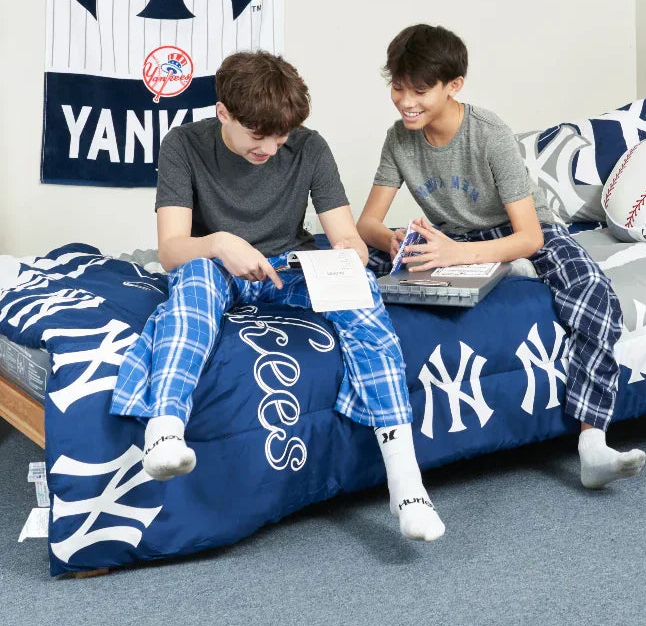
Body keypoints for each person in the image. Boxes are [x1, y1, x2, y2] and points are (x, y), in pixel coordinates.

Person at [111, 50, 444, 542]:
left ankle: (407, 484)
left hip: (289, 269)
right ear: (224, 113)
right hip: (217, 266)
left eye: (281, 135)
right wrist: (221, 243)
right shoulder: (183, 144)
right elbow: (171, 250)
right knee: (195, 282)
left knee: (362, 296)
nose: (271, 146)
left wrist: (349, 256)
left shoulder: (308, 147)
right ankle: (165, 428)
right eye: (258, 135)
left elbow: (344, 235)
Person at [356, 24, 646, 490]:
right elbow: (366, 223)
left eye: (420, 90)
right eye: (397, 88)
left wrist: (460, 253)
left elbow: (529, 234)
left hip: (522, 229)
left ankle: (593, 443)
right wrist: (390, 238)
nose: (406, 101)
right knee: (355, 261)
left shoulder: (489, 134)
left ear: (454, 86)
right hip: (454, 233)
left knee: (592, 292)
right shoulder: (400, 138)